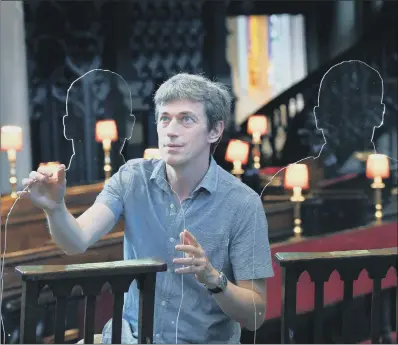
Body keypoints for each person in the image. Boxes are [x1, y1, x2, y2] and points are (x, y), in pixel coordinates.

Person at [20, 73, 274, 344]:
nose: (171, 130)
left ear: (215, 131)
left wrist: (213, 278)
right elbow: (76, 241)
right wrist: (55, 209)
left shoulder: (243, 203)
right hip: (129, 339)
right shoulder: (132, 179)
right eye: (164, 118)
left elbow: (255, 315)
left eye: (186, 119)